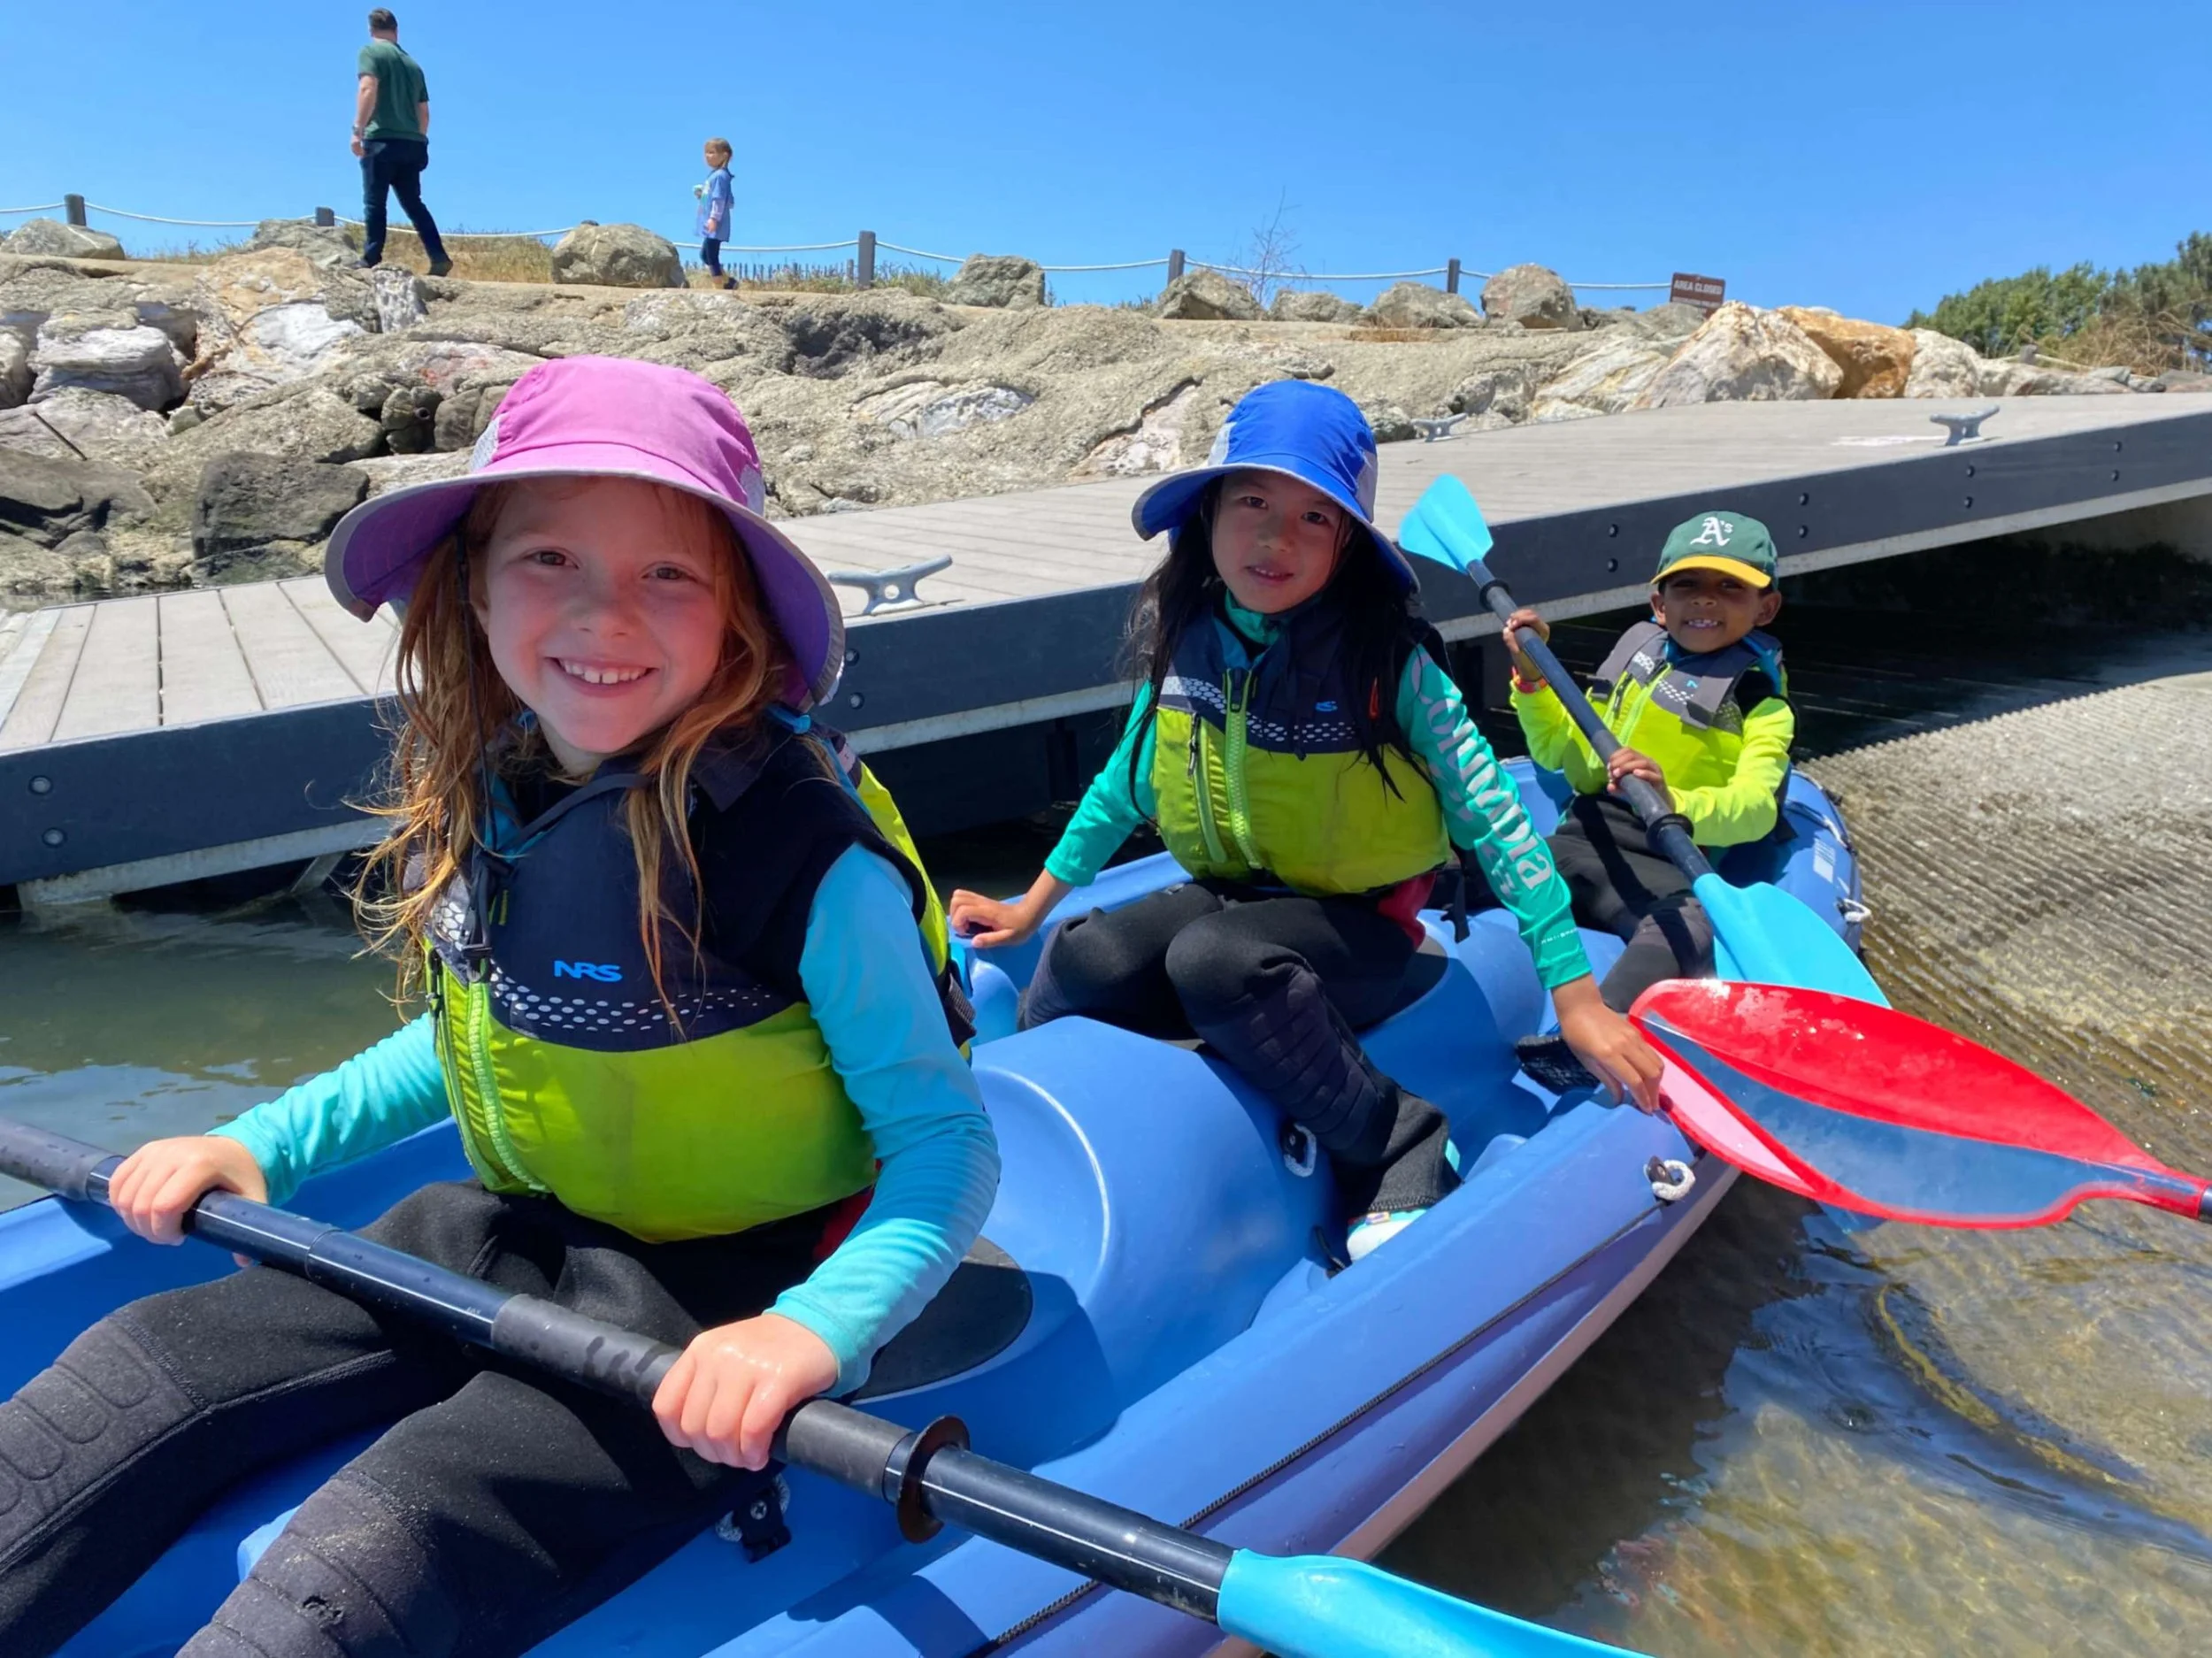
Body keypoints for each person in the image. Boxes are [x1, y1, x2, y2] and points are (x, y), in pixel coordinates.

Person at [0, 357, 999, 1658]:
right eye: (549, 559)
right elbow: (481, 1024)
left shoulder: (809, 861)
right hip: (508, 1226)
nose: (604, 615)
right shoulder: (499, 786)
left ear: (739, 613)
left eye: (669, 573)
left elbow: (947, 1147)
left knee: (385, 1537)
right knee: (139, 1363)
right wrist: (265, 1143)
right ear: (470, 584)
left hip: (724, 1287)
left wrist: (807, 1332)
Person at [947, 380, 1660, 1264]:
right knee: (1087, 955)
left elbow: (1501, 823)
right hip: (1236, 891)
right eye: (1251, 501)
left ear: (1347, 547)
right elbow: (1124, 785)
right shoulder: (1190, 640)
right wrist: (1032, 905)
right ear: (1207, 513)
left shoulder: (1391, 667)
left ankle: (1398, 1139)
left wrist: (1576, 996)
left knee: (1214, 962)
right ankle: (996, 1117)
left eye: (1315, 517)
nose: (1275, 537)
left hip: (1364, 928)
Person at [1503, 509, 1793, 1093]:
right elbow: (1561, 752)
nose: (1705, 601)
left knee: (1692, 927)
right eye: (1687, 586)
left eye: (1729, 586)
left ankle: (1599, 1027)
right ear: (1659, 604)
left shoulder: (1762, 704)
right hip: (1582, 836)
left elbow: (1757, 807)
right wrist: (1532, 683)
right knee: (1490, 858)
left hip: (1665, 857)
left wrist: (1673, 798)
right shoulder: (1636, 663)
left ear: (1765, 608)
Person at [353, 8, 452, 276]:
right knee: (413, 203)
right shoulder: (413, 65)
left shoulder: (370, 53)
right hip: (412, 142)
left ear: (371, 30)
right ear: (396, 30)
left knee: (375, 202)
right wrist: (419, 139)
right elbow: (424, 111)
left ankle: (371, 257)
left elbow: (368, 87)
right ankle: (438, 255)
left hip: (381, 138)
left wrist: (357, 129)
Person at [695, 136, 736, 289]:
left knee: (711, 255)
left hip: (715, 223)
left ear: (724, 155)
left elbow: (721, 200)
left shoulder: (720, 176)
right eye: (706, 153)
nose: (708, 156)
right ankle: (728, 282)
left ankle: (718, 286)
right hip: (711, 222)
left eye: (712, 153)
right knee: (705, 255)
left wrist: (714, 218)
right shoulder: (715, 175)